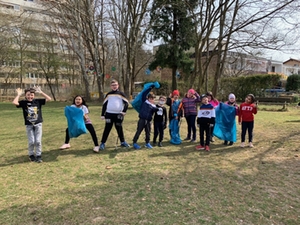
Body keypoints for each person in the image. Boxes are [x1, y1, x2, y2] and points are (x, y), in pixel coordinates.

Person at [12, 86, 52, 163]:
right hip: (29, 125)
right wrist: (19, 95)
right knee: (31, 142)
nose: (30, 96)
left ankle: (38, 155)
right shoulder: (24, 103)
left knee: (38, 141)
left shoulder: (37, 101)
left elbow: (49, 99)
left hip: (38, 124)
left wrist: (41, 92)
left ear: (34, 95)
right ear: (25, 95)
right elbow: (14, 102)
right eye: (28, 95)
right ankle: (31, 155)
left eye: (31, 95)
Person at [100, 79, 130, 150]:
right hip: (109, 114)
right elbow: (104, 104)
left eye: (115, 85)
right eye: (113, 85)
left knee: (119, 128)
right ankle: (102, 143)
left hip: (118, 115)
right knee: (107, 129)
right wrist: (102, 114)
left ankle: (123, 142)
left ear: (118, 85)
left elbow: (126, 103)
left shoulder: (121, 94)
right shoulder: (108, 94)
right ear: (111, 86)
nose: (114, 86)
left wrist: (124, 111)